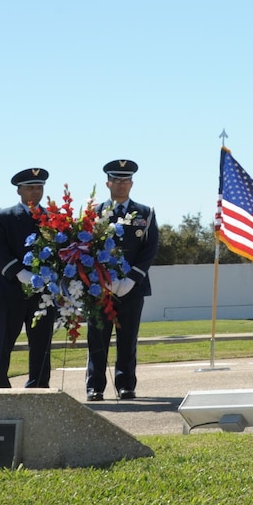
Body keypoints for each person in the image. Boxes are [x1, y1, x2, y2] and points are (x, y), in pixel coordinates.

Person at [85, 159, 159, 401]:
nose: (121, 185)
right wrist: (98, 279)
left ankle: (126, 384)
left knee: (128, 339)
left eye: (125, 181)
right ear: (108, 183)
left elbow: (150, 249)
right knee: (97, 338)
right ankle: (95, 387)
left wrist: (131, 280)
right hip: (99, 289)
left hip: (132, 289)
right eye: (117, 180)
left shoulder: (145, 213)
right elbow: (84, 248)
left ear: (132, 183)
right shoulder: (94, 213)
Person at [0, 167, 57, 388]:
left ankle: (38, 388)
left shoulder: (54, 219)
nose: (35, 192)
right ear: (19, 191)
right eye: (30, 188)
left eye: (39, 187)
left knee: (41, 346)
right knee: (3, 344)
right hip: (10, 291)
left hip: (43, 294)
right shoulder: (3, 217)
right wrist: (20, 273)